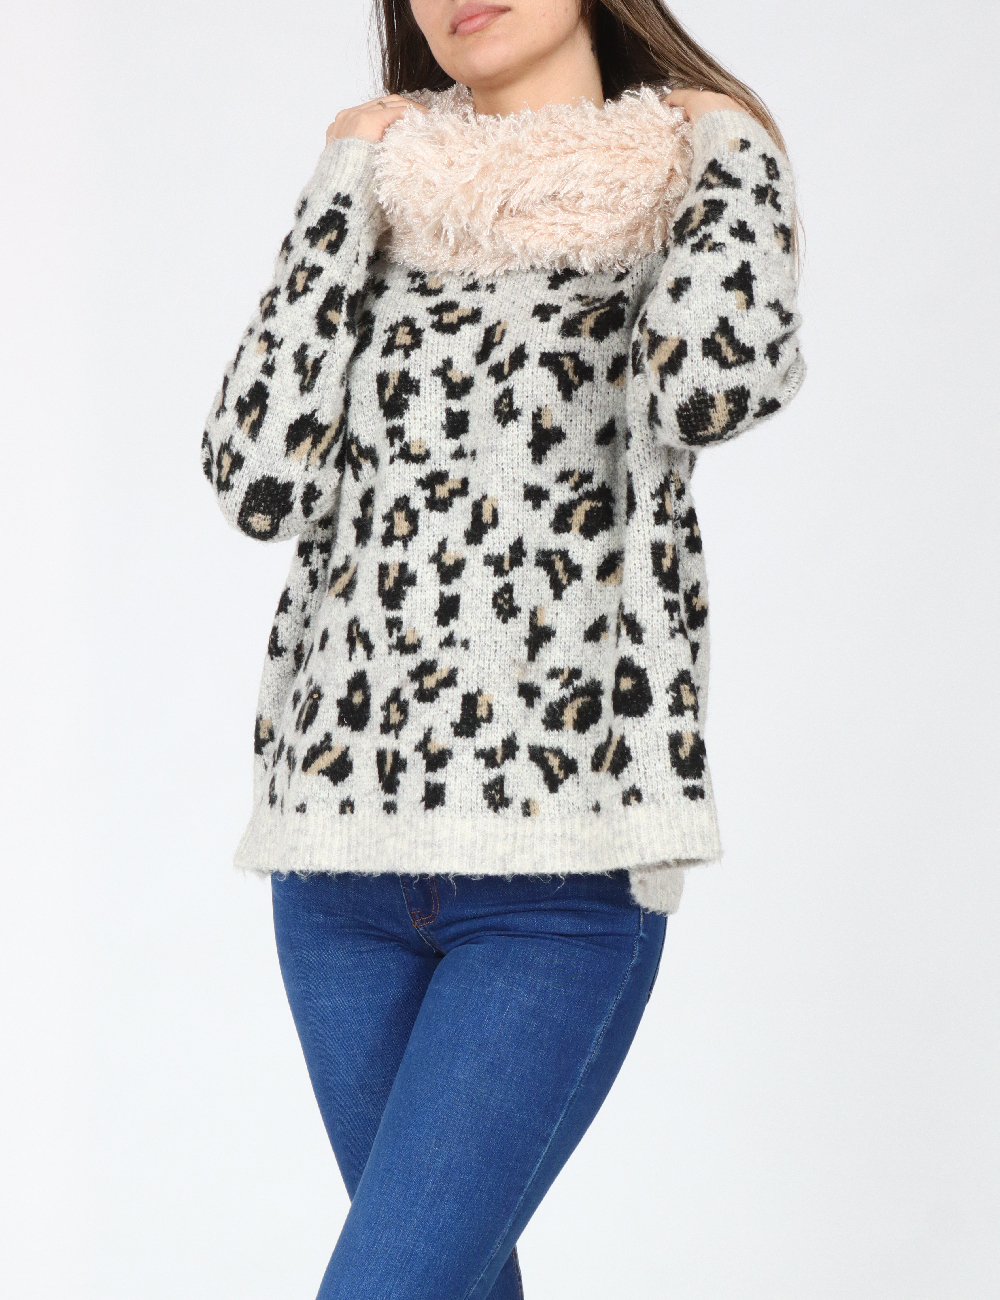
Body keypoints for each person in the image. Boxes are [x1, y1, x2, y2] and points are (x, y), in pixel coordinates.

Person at [201, 0, 805, 1294]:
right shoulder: (380, 192)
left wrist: (731, 150)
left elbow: (712, 385)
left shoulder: (682, 174)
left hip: (558, 872)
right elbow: (254, 477)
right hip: (335, 864)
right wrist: (345, 181)